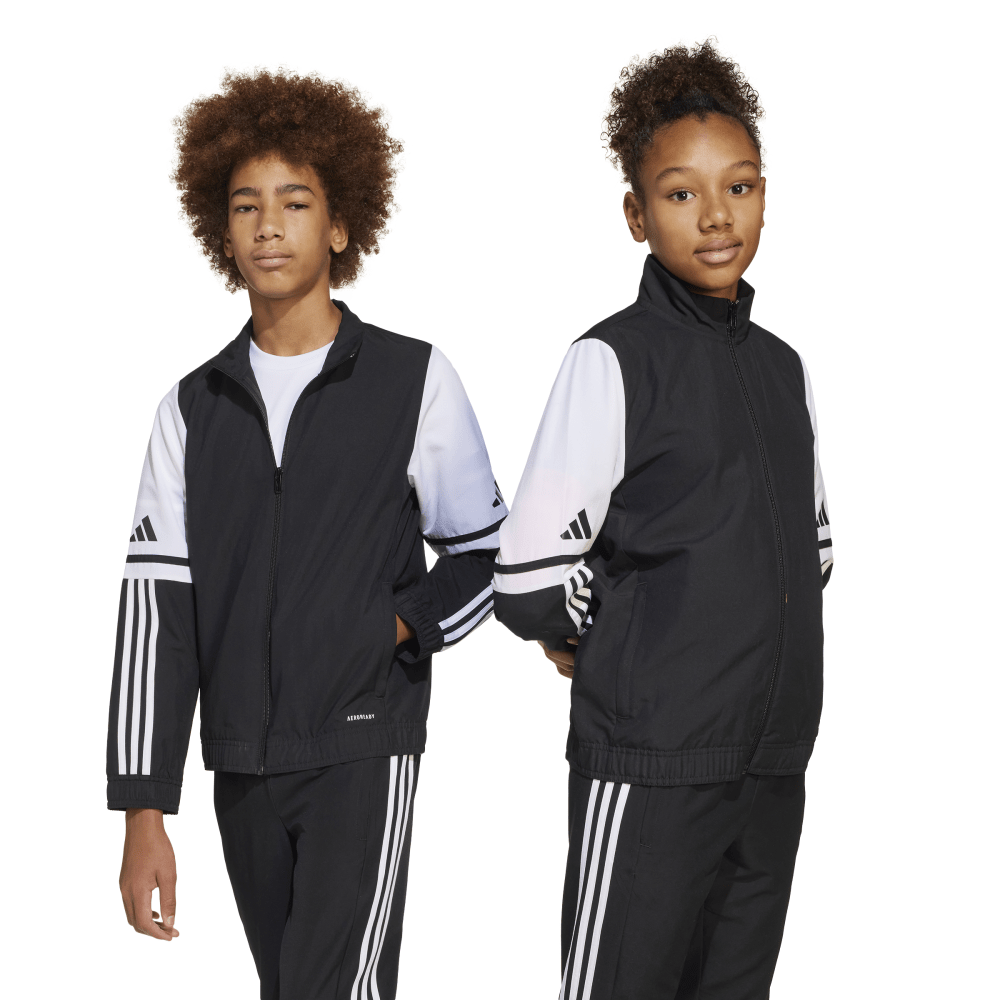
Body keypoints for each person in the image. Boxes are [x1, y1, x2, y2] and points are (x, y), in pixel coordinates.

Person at [108, 69, 506, 1000]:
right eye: (246, 206)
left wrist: (395, 629)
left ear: (339, 225)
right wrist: (143, 809)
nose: (268, 226)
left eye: (295, 202)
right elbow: (156, 616)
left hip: (362, 745)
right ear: (222, 231)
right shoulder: (191, 409)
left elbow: (487, 554)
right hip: (242, 764)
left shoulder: (411, 379)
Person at [493, 42, 833, 999]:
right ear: (637, 215)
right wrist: (607, 636)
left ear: (764, 196)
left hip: (771, 763)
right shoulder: (612, 361)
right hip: (652, 765)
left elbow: (810, 551)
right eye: (681, 194)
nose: (716, 216)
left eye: (740, 187)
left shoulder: (783, 368)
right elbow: (527, 576)